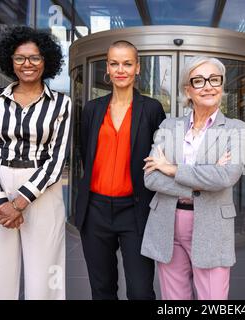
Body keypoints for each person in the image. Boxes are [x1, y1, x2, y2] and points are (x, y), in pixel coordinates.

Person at [140, 56, 245, 300]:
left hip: (211, 223)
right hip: (167, 222)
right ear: (187, 90)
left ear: (222, 86)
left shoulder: (236, 128)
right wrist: (203, 180)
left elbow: (226, 176)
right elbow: (151, 179)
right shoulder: (169, 126)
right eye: (198, 81)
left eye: (214, 79)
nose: (208, 86)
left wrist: (172, 169)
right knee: (174, 298)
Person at [0, 26, 71, 300]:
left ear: (46, 61)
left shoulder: (61, 104)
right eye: (20, 58)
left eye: (35, 57)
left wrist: (20, 201)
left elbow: (57, 158)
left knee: (47, 270)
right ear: (10, 60)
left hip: (43, 188)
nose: (27, 64)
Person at [75, 40, 166, 300]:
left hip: (135, 210)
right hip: (95, 210)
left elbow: (159, 156)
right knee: (102, 290)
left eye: (127, 63)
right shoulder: (92, 109)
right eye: (114, 63)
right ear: (107, 67)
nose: (121, 69)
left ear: (138, 68)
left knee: (140, 291)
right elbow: (86, 154)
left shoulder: (151, 109)